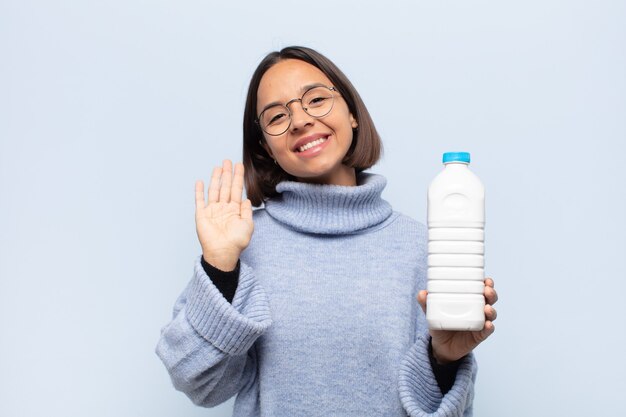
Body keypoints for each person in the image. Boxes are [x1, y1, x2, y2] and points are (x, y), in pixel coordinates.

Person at [156, 46, 498, 416]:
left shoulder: (420, 247)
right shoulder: (242, 246)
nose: (301, 120)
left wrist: (444, 360)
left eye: (316, 99)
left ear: (352, 113)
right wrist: (220, 267)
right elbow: (197, 383)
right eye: (276, 117)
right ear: (266, 148)